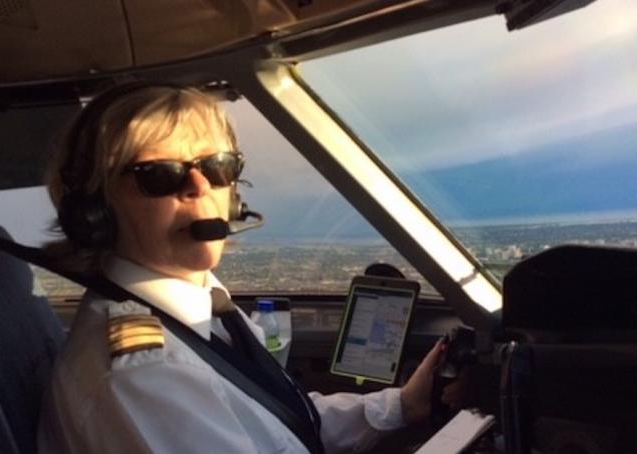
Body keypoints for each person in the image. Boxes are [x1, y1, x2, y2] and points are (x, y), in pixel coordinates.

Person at [37, 82, 446, 453]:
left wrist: (403, 405)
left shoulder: (207, 309)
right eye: (159, 175)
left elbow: (283, 425)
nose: (199, 187)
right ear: (93, 211)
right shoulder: (146, 376)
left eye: (217, 166)